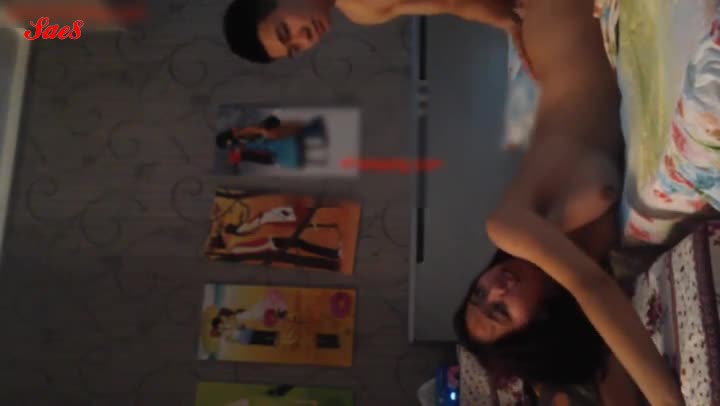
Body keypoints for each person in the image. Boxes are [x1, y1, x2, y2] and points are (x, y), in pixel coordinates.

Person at [454, 0, 684, 405]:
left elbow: (593, 290)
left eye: (479, 293)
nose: (495, 287)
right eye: (500, 310)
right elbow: (608, 346)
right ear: (542, 321)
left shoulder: (509, 228)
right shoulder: (595, 267)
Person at [222, 0, 525, 63]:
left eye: (286, 30)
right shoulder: (361, 13)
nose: (305, 38)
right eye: (295, 49)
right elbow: (451, 4)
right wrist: (509, 21)